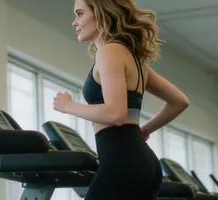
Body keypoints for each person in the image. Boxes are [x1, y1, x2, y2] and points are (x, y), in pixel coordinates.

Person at [52, 0, 191, 199]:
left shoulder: (109, 51)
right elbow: (180, 101)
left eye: (80, 14)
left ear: (101, 13)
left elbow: (115, 114)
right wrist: (145, 130)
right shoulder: (135, 60)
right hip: (144, 162)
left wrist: (69, 106)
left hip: (123, 161)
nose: (74, 22)